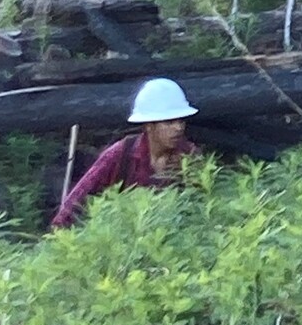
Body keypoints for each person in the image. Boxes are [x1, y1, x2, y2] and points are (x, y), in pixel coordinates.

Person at [51, 78, 199, 229]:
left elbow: (203, 207)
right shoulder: (121, 154)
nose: (178, 128)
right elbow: (76, 201)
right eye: (169, 122)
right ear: (149, 125)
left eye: (181, 121)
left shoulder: (189, 156)